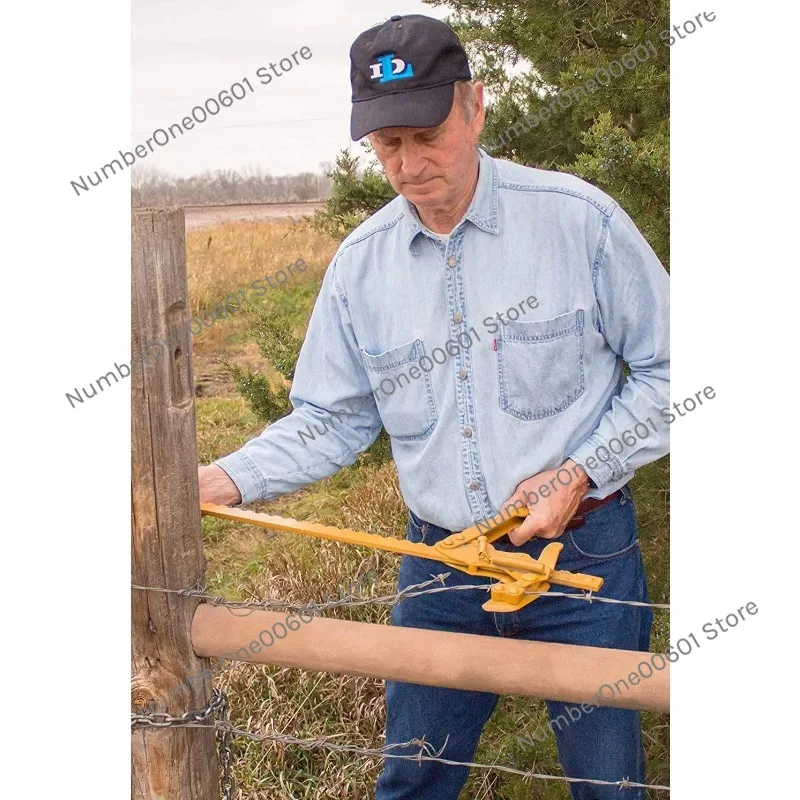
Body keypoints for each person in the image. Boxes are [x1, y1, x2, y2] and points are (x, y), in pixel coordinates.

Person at [199, 13, 669, 800]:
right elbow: (333, 418)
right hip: (438, 569)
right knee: (414, 780)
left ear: (475, 107)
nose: (411, 166)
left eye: (427, 135)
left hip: (584, 564)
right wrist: (218, 480)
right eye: (387, 146)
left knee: (608, 785)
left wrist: (582, 473)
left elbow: (671, 371)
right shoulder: (361, 267)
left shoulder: (580, 223)